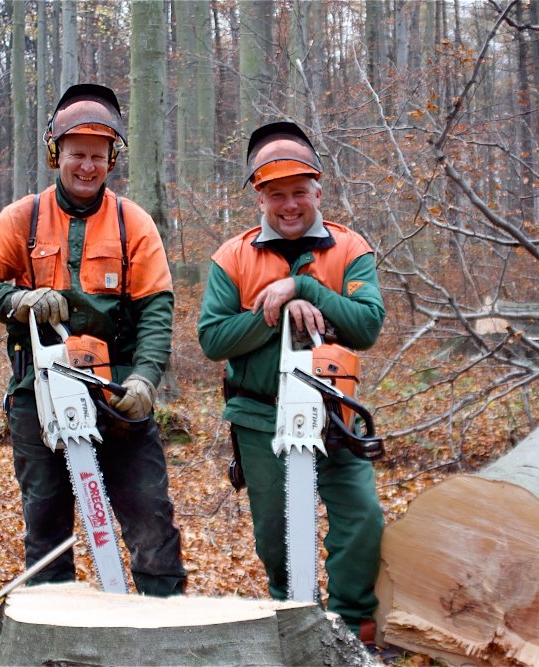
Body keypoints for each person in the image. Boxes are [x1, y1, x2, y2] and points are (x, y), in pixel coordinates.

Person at [0, 83, 186, 595]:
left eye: (97, 157)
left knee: (151, 520)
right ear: (56, 154)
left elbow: (155, 309)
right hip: (39, 390)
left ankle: (165, 623)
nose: (86, 167)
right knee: (47, 527)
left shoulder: (133, 223)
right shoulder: (25, 217)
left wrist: (146, 378)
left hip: (116, 389)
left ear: (111, 160)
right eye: (77, 154)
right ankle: (54, 629)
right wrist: (19, 301)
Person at [197, 121, 386, 640]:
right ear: (259, 197)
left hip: (335, 414)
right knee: (277, 535)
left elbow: (367, 325)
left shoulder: (350, 249)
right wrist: (275, 311)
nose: (289, 204)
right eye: (276, 194)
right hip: (261, 413)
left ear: (318, 192)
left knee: (362, 518)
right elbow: (213, 339)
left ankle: (351, 627)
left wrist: (304, 287)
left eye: (299, 192)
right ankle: (299, 625)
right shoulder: (232, 257)